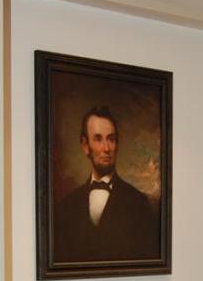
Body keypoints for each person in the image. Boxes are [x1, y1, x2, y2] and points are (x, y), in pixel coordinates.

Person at [53, 105, 159, 263]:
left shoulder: (138, 203)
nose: (107, 148)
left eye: (111, 139)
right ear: (84, 145)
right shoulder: (66, 207)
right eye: (98, 139)